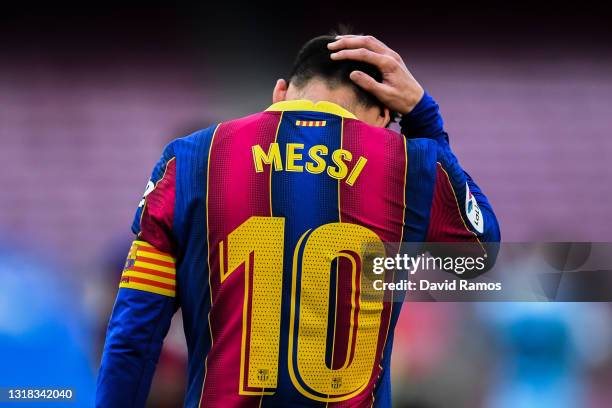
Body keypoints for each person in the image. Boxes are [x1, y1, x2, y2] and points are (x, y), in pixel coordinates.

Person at [96, 33, 500, 407]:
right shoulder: (410, 165)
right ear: (382, 117)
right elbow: (478, 253)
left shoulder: (190, 158)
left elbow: (134, 334)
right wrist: (422, 118)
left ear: (280, 93)